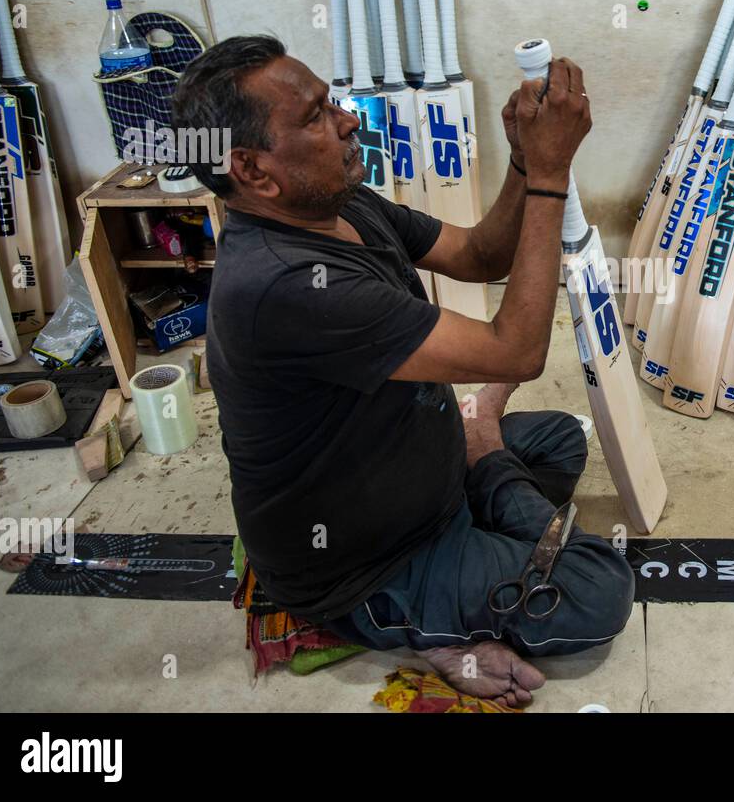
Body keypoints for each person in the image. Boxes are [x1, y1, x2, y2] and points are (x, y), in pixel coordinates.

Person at [171, 36, 634, 707]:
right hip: (367, 559)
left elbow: (478, 253)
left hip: (418, 472)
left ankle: (480, 467)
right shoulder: (287, 285)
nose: (347, 120)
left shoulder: (336, 203)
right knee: (599, 591)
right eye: (315, 117)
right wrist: (551, 174)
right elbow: (517, 351)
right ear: (254, 170)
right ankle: (418, 617)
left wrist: (524, 160)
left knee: (562, 437)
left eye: (331, 102)